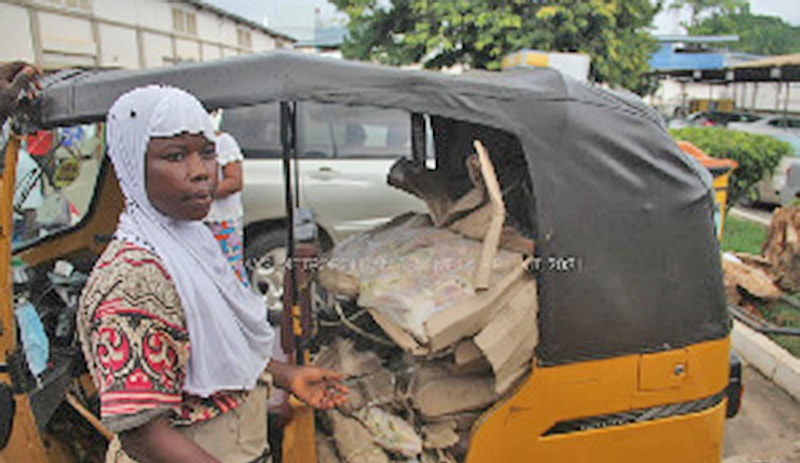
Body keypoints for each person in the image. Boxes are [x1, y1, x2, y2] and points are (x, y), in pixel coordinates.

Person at [77, 85, 347, 463]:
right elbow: (143, 433)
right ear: (132, 165)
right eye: (174, 156)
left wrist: (286, 376)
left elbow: (217, 343)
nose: (202, 172)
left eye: (207, 152)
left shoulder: (192, 243)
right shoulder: (133, 281)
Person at [204, 130, 247, 285]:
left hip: (221, 222)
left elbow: (235, 182)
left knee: (228, 275)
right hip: (193, 222)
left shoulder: (222, 141)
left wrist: (201, 193)